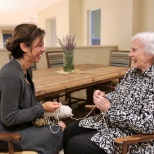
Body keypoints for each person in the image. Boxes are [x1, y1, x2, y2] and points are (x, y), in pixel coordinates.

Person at [63, 32, 154, 154]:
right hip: (111, 122)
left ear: (150, 53)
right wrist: (104, 97)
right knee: (69, 130)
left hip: (131, 135)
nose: (129, 54)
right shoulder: (132, 72)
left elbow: (148, 125)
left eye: (134, 50)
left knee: (77, 144)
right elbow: (118, 95)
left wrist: (109, 109)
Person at [0, 23, 65, 154]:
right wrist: (42, 108)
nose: (44, 49)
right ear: (23, 46)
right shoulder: (10, 74)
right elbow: (9, 118)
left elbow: (28, 104)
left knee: (61, 125)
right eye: (40, 45)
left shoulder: (26, 70)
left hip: (23, 125)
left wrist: (45, 107)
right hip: (8, 134)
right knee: (54, 133)